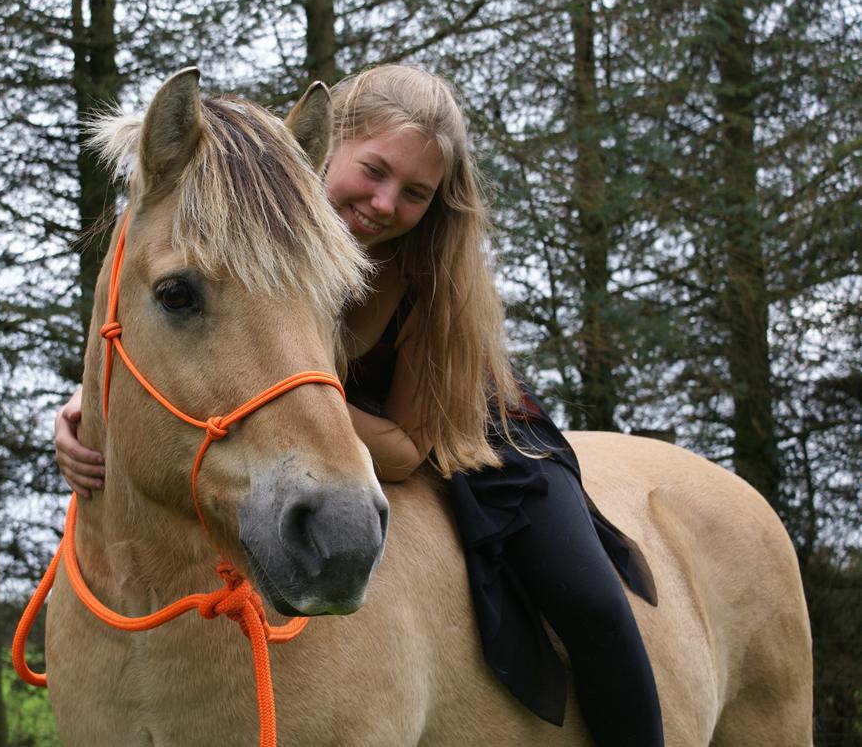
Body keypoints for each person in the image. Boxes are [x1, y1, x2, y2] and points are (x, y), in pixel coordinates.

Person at [54, 65, 664, 746]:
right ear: (327, 148)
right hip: (307, 419)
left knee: (590, 601)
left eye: (415, 192)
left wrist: (296, 407)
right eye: (373, 170)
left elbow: (404, 446)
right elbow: (182, 335)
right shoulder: (261, 231)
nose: (382, 202)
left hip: (464, 428)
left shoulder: (428, 275)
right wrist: (92, 401)